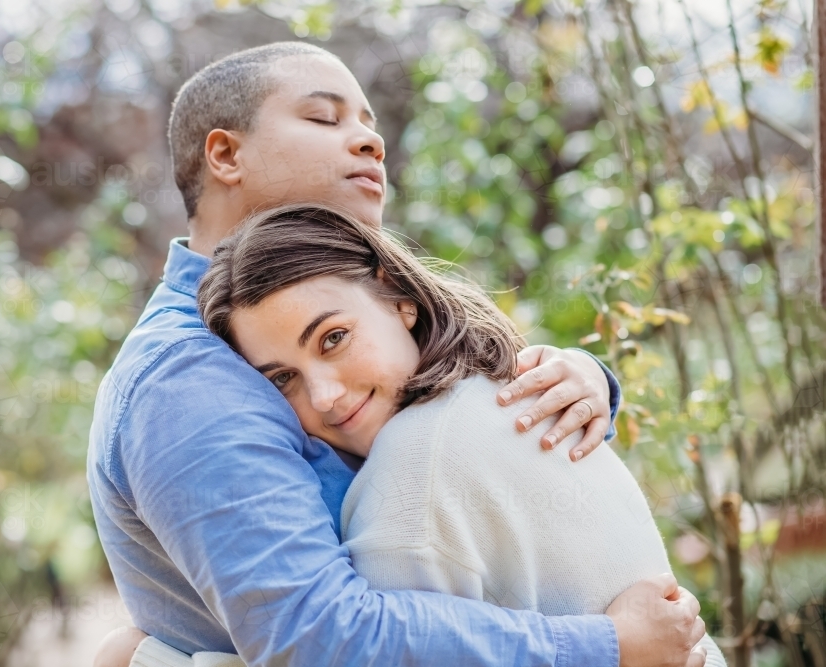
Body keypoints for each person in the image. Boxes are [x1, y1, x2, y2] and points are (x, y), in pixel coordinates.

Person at [89, 42, 707, 667]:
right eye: (325, 119)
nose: (367, 142)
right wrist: (604, 646)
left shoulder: (324, 331)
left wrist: (572, 379)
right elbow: (319, 639)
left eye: (368, 124)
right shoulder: (189, 375)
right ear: (225, 154)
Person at [191, 203, 722, 666]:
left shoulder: (411, 475)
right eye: (283, 378)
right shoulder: (495, 387)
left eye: (333, 338)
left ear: (396, 296)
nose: (324, 395)